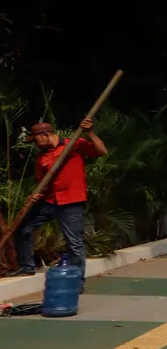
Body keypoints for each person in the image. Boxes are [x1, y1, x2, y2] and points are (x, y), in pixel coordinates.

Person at [7, 119, 107, 284]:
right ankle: (26, 266)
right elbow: (42, 182)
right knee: (23, 229)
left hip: (71, 201)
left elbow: (102, 151)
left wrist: (89, 132)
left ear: (46, 135)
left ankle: (77, 281)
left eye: (36, 139)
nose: (35, 144)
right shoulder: (41, 157)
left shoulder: (73, 144)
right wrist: (35, 195)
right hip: (49, 201)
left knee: (74, 243)